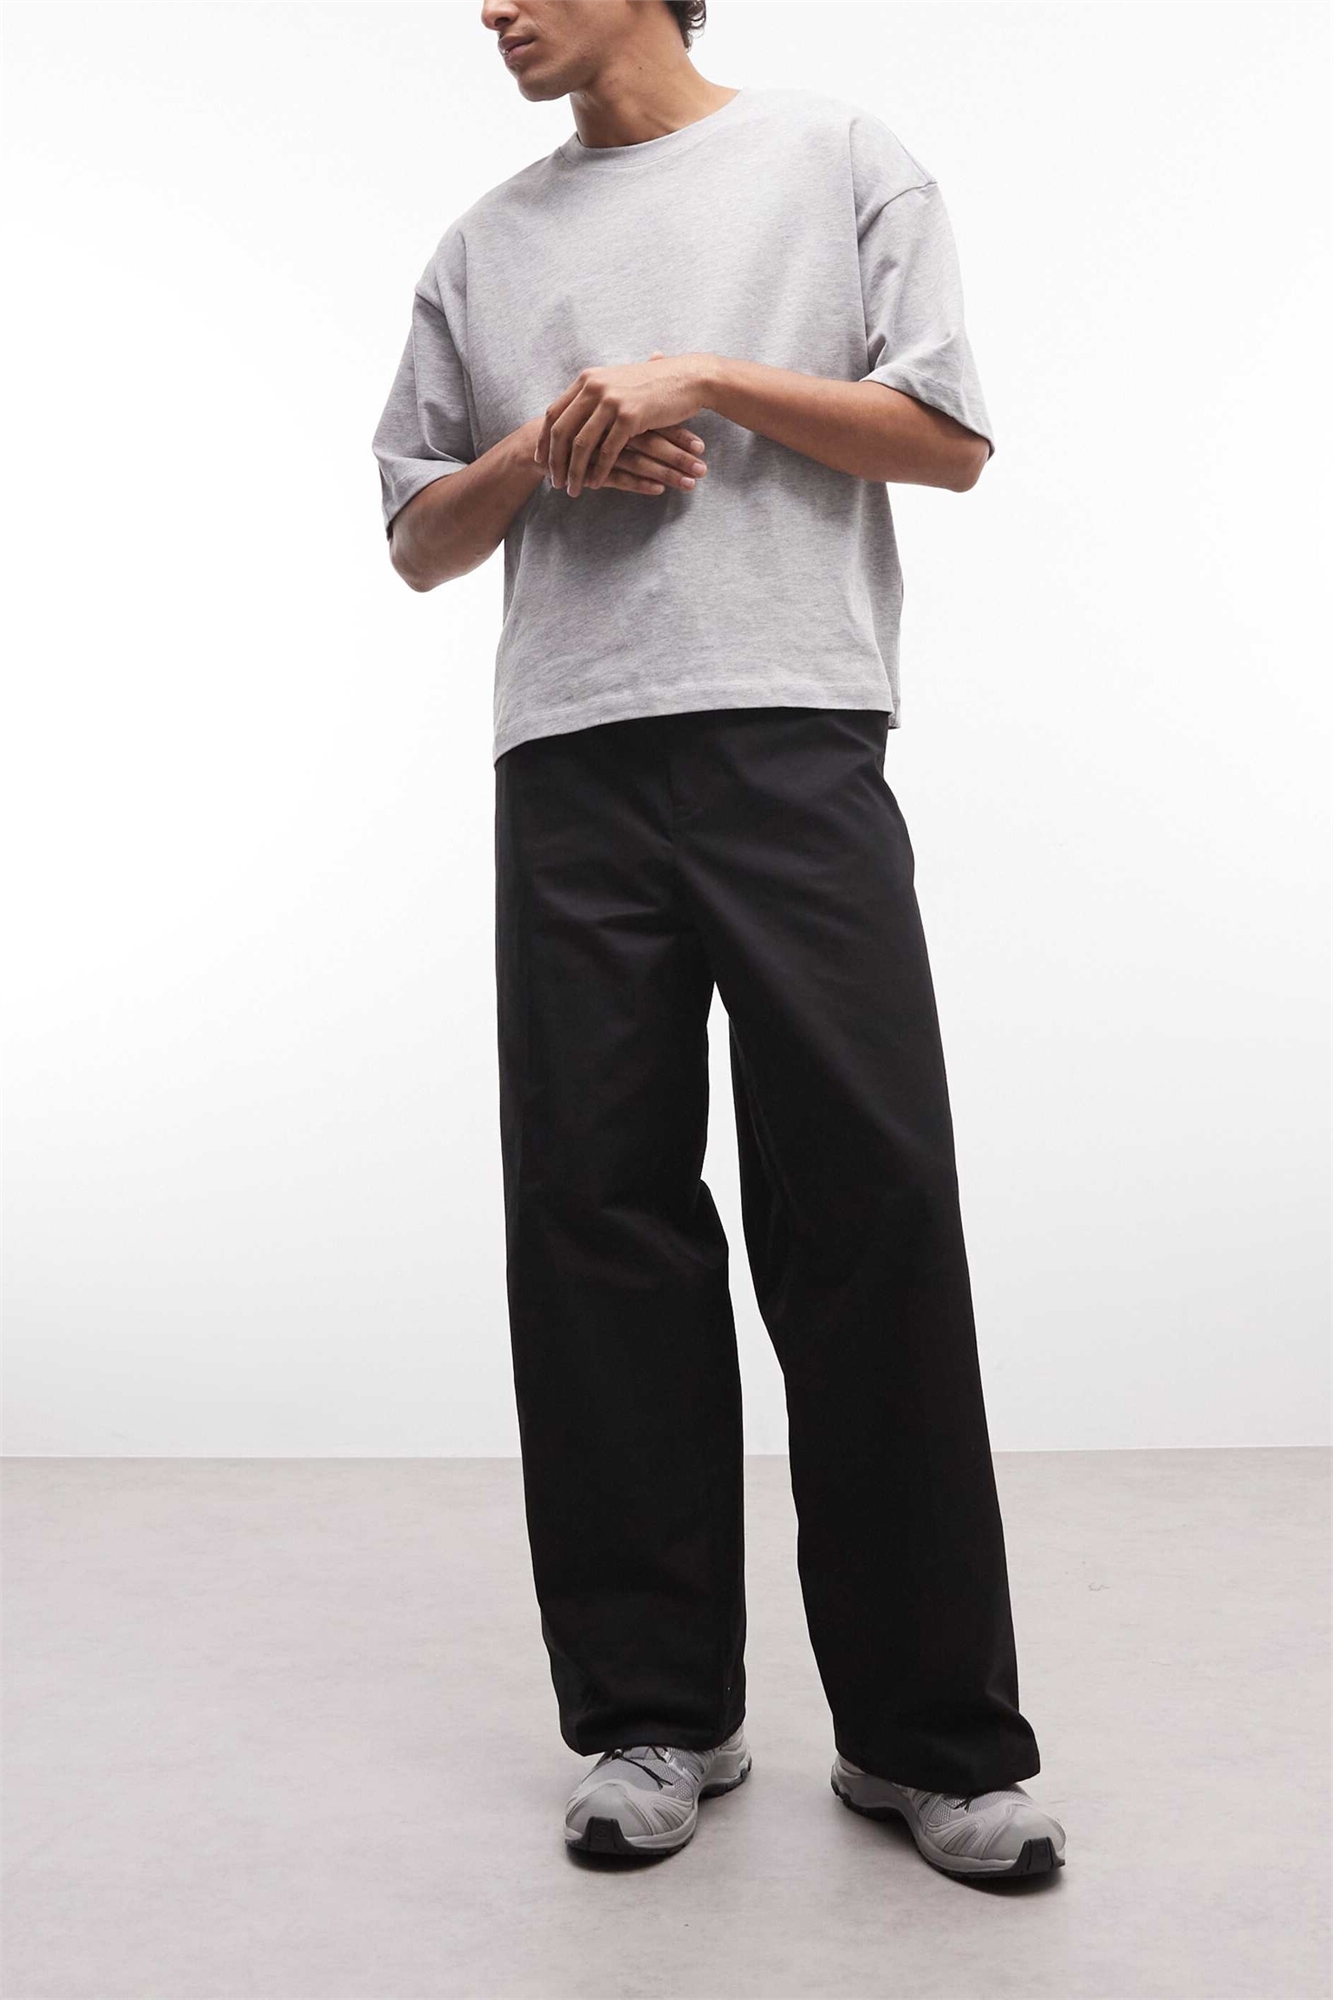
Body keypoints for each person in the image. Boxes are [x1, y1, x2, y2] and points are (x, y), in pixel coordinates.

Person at [371, 0, 1068, 1884]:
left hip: (793, 738)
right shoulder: (484, 244)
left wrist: (704, 379)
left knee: (868, 1210)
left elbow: (945, 438)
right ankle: (652, 1717)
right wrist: (548, 454)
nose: (488, 6)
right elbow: (420, 534)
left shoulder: (833, 158)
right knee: (594, 1223)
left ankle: (930, 1742)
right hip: (568, 758)